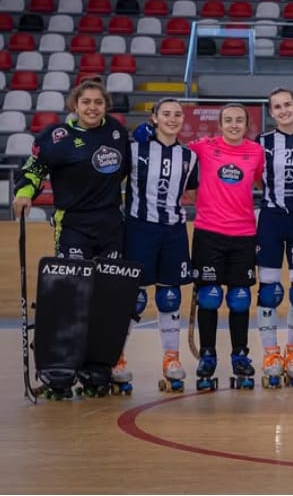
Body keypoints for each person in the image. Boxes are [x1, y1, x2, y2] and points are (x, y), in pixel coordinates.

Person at [12, 77, 130, 397]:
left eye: (98, 102)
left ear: (106, 106)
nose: (92, 108)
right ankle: (59, 371)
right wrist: (24, 194)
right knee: (70, 299)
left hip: (110, 227)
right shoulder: (56, 137)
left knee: (106, 301)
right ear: (74, 105)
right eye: (86, 102)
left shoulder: (117, 132)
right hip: (74, 226)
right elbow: (33, 170)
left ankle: (96, 368)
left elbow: (124, 172)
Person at [184, 103, 265, 391]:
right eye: (228, 120)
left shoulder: (256, 152)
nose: (233, 125)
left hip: (243, 234)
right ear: (220, 124)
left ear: (247, 125)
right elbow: (174, 151)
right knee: (209, 297)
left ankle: (239, 355)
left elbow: (262, 182)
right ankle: (208, 355)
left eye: (239, 120)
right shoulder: (203, 147)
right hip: (209, 233)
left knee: (240, 298)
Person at [120, 98, 198, 393]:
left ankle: (171, 359)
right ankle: (116, 357)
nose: (172, 119)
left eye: (177, 114)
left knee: (169, 297)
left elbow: (194, 192)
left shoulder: (189, 156)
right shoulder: (134, 149)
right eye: (166, 114)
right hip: (139, 229)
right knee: (134, 297)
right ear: (154, 118)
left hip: (174, 231)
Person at [254, 88, 293, 388]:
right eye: (277, 107)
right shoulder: (261, 143)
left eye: (288, 104)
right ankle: (270, 354)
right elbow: (253, 175)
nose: (284, 110)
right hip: (271, 220)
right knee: (269, 291)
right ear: (271, 112)